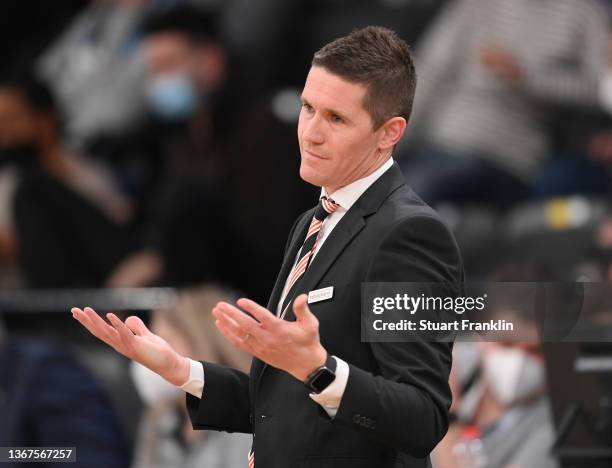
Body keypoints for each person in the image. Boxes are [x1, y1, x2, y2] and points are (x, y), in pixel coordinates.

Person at [73, 26, 464, 467]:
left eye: (336, 119)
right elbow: (280, 406)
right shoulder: (311, 223)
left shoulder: (410, 235)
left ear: (389, 132)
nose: (311, 133)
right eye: (308, 108)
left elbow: (421, 417)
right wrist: (181, 370)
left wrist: (318, 367)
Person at [130, 285, 252, 468]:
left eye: (165, 341)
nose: (151, 357)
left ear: (201, 345)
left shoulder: (245, 417)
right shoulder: (159, 415)